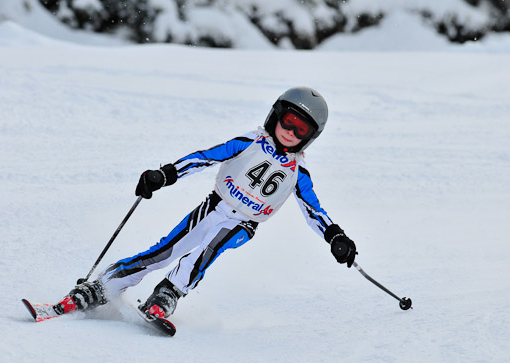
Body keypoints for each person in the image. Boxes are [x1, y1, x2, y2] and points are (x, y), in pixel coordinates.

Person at [54, 86, 357, 320]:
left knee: (207, 252)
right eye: (288, 121)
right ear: (276, 115)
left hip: (244, 224)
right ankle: (102, 287)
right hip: (214, 207)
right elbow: (206, 157)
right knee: (163, 251)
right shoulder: (251, 141)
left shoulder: (298, 172)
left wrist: (335, 236)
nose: (290, 132)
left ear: (310, 136)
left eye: (300, 129)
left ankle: (167, 294)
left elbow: (314, 210)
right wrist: (166, 174)